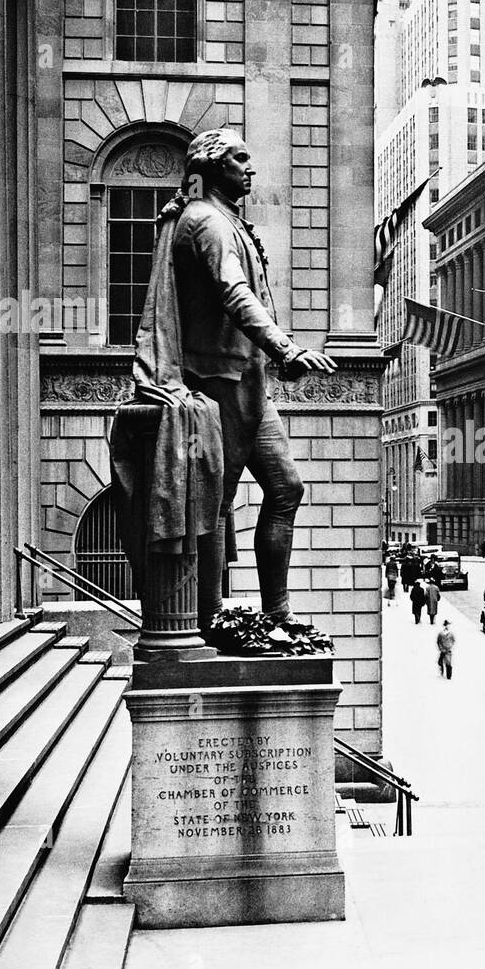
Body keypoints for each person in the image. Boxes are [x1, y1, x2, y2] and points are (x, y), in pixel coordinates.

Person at [125, 129, 336, 635]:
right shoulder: (205, 223)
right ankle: (211, 612)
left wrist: (274, 358)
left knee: (286, 487)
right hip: (219, 380)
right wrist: (285, 347)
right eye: (240, 158)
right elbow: (235, 295)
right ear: (214, 165)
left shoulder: (226, 221)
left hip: (248, 379)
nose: (250, 167)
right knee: (217, 502)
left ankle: (276, 610)